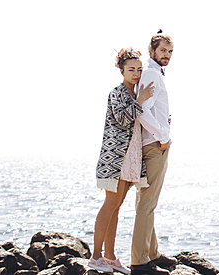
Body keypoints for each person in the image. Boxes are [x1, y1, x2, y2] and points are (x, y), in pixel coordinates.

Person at [91, 48, 155, 274]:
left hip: (132, 158)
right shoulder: (117, 92)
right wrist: (140, 100)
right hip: (116, 159)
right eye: (131, 70)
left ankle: (109, 257)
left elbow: (140, 120)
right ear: (121, 70)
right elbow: (122, 119)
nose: (136, 74)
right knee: (110, 205)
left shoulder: (136, 93)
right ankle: (95, 256)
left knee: (116, 208)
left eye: (139, 69)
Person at [130, 30, 176, 275]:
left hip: (152, 143)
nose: (167, 55)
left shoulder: (154, 74)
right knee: (146, 204)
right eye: (162, 51)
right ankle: (139, 263)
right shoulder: (151, 73)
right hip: (155, 146)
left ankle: (152, 253)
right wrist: (164, 136)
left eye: (170, 51)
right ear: (152, 51)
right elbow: (142, 111)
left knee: (147, 203)